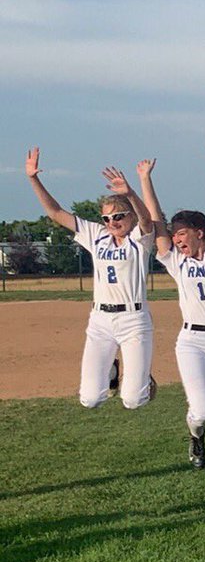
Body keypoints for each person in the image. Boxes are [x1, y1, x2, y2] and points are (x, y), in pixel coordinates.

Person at [25, 148, 157, 409]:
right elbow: (55, 213)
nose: (112, 222)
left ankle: (142, 378)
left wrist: (130, 193)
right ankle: (113, 371)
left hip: (134, 319)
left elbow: (146, 219)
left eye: (118, 216)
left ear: (129, 217)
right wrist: (33, 178)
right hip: (100, 320)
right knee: (90, 399)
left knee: (133, 400)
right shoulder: (96, 234)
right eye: (107, 217)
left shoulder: (139, 240)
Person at [141, 143, 205, 469]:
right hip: (193, 341)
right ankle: (197, 438)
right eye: (175, 235)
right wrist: (145, 179)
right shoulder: (176, 262)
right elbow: (156, 223)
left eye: (182, 233)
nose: (176, 239)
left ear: (200, 233)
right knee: (200, 411)